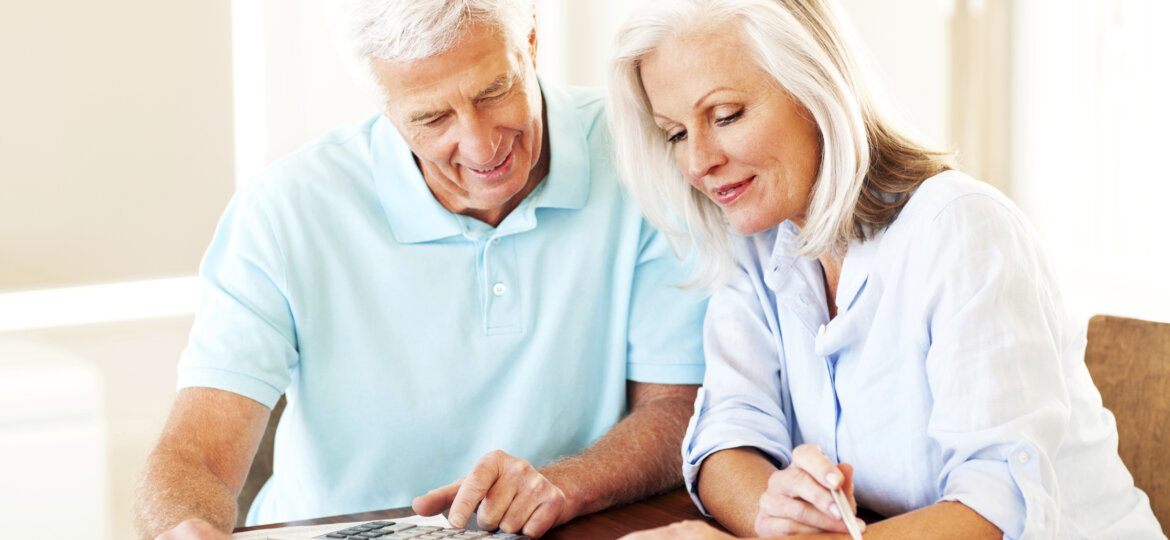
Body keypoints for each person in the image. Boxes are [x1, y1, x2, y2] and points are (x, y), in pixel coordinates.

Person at [133, 1, 709, 539]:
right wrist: (185, 527)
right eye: (432, 118)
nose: (482, 149)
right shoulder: (285, 210)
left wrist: (566, 484)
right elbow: (193, 458)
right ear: (383, 104)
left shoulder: (647, 153)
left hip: (559, 527)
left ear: (530, 41)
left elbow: (676, 405)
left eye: (493, 91)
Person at [605, 0, 1165, 538]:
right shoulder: (755, 235)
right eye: (676, 133)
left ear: (814, 90)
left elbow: (996, 508)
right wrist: (773, 513)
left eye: (726, 116)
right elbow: (727, 435)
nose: (699, 161)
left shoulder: (961, 228)